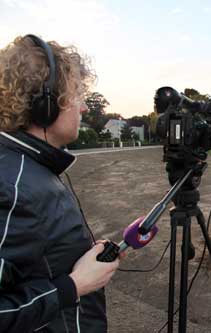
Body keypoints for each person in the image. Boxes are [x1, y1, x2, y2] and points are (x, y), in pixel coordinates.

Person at [0, 35, 121, 332]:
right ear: (46, 104)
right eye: (76, 95)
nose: (82, 108)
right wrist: (73, 286)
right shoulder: (9, 187)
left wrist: (78, 254)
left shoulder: (31, 166)